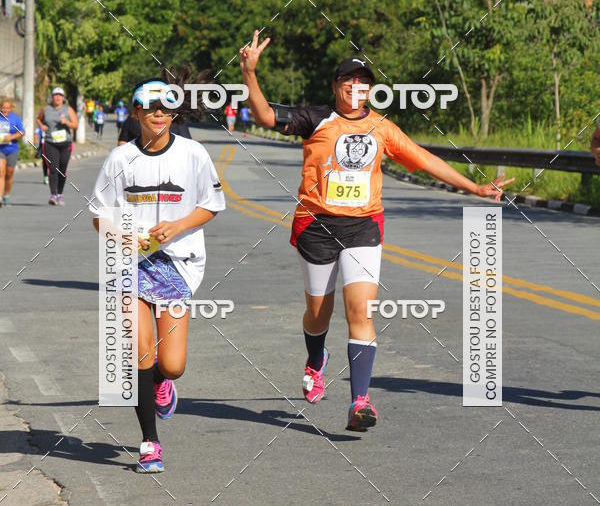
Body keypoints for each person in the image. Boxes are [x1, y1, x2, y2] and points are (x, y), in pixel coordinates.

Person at [240, 33, 514, 431]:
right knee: (318, 314)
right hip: (316, 226)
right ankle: (316, 361)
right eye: (348, 81)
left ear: (371, 90)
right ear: (335, 86)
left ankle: (360, 402)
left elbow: (423, 158)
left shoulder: (382, 128)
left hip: (363, 228)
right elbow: (265, 116)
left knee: (361, 312)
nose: (356, 87)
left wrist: (473, 187)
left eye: (364, 82)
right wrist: (250, 74)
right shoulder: (315, 119)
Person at [89, 78, 226, 473]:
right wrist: (123, 236)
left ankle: (163, 382)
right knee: (138, 351)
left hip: (177, 263)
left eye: (166, 107)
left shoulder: (193, 153)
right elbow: (99, 215)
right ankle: (150, 442)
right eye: (149, 107)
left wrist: (178, 226)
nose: (158, 113)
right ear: (136, 113)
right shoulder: (119, 160)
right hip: (130, 265)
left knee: (173, 363)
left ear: (174, 112)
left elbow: (212, 204)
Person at [37, 87, 78, 206]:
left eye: (60, 95)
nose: (58, 97)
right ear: (52, 97)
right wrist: (42, 126)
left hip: (65, 144)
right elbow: (38, 119)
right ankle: (53, 195)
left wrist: (67, 123)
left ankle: (60, 193)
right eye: (56, 95)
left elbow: (75, 125)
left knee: (62, 170)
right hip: (50, 143)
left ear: (63, 98)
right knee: (53, 169)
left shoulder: (68, 109)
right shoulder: (46, 109)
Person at [0, 97, 25, 207]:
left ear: (11, 108)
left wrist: (11, 137)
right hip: (0, 149)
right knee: (1, 172)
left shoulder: (15, 118)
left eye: (7, 108)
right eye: (3, 108)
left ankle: (6, 196)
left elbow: (22, 132)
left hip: (12, 149)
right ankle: (0, 197)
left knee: (9, 174)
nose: (5, 110)